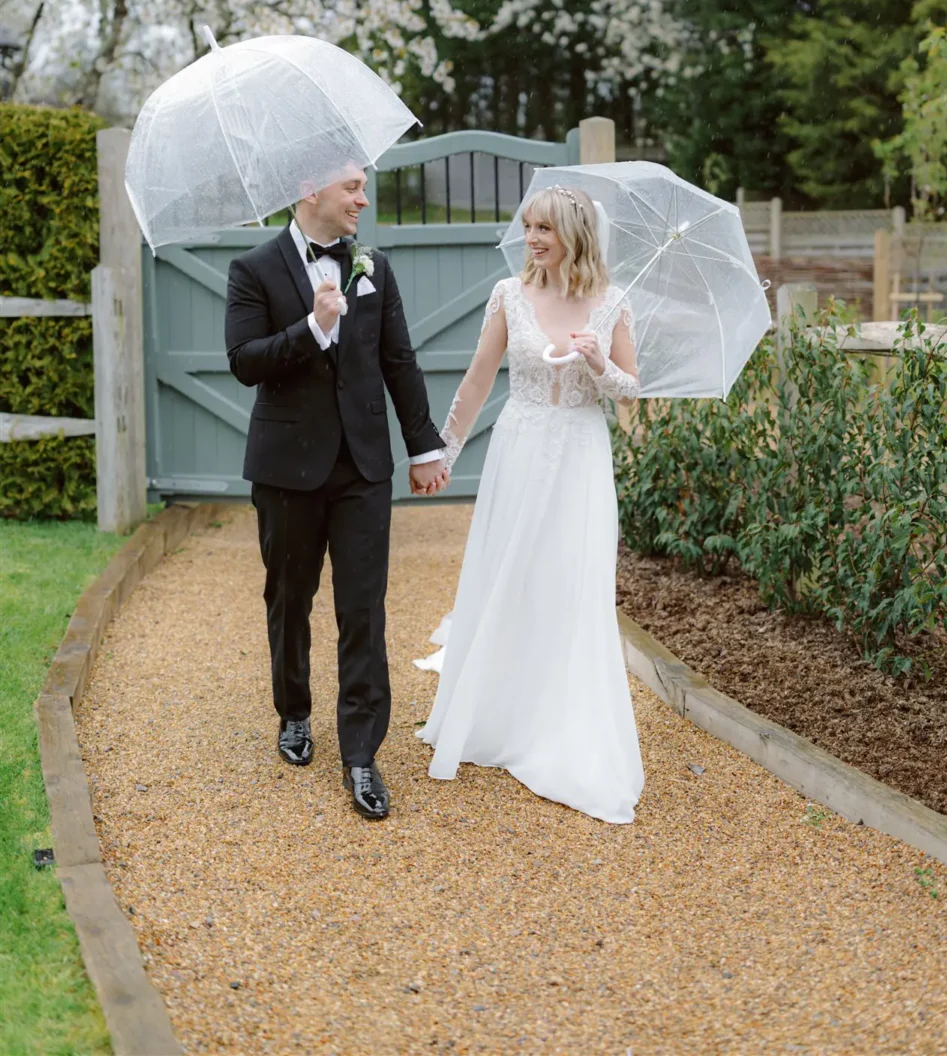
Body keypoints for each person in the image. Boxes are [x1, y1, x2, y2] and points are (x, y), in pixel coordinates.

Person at [224, 163, 448, 821]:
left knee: (363, 608)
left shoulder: (373, 265)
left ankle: (360, 753)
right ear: (309, 191)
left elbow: (397, 360)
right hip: (286, 468)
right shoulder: (253, 269)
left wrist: (424, 446)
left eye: (362, 186)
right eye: (351, 188)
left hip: (363, 467)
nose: (363, 198)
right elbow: (244, 361)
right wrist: (314, 328)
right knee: (290, 599)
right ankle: (293, 712)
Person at [418, 184, 644, 824]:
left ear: (574, 234)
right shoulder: (508, 297)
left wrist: (599, 362)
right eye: (528, 227)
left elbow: (630, 391)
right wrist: (444, 452)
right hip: (517, 449)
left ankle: (560, 719)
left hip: (578, 454)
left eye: (544, 228)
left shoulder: (613, 305)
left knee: (567, 580)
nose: (532, 238)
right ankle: (498, 710)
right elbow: (478, 377)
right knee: (509, 575)